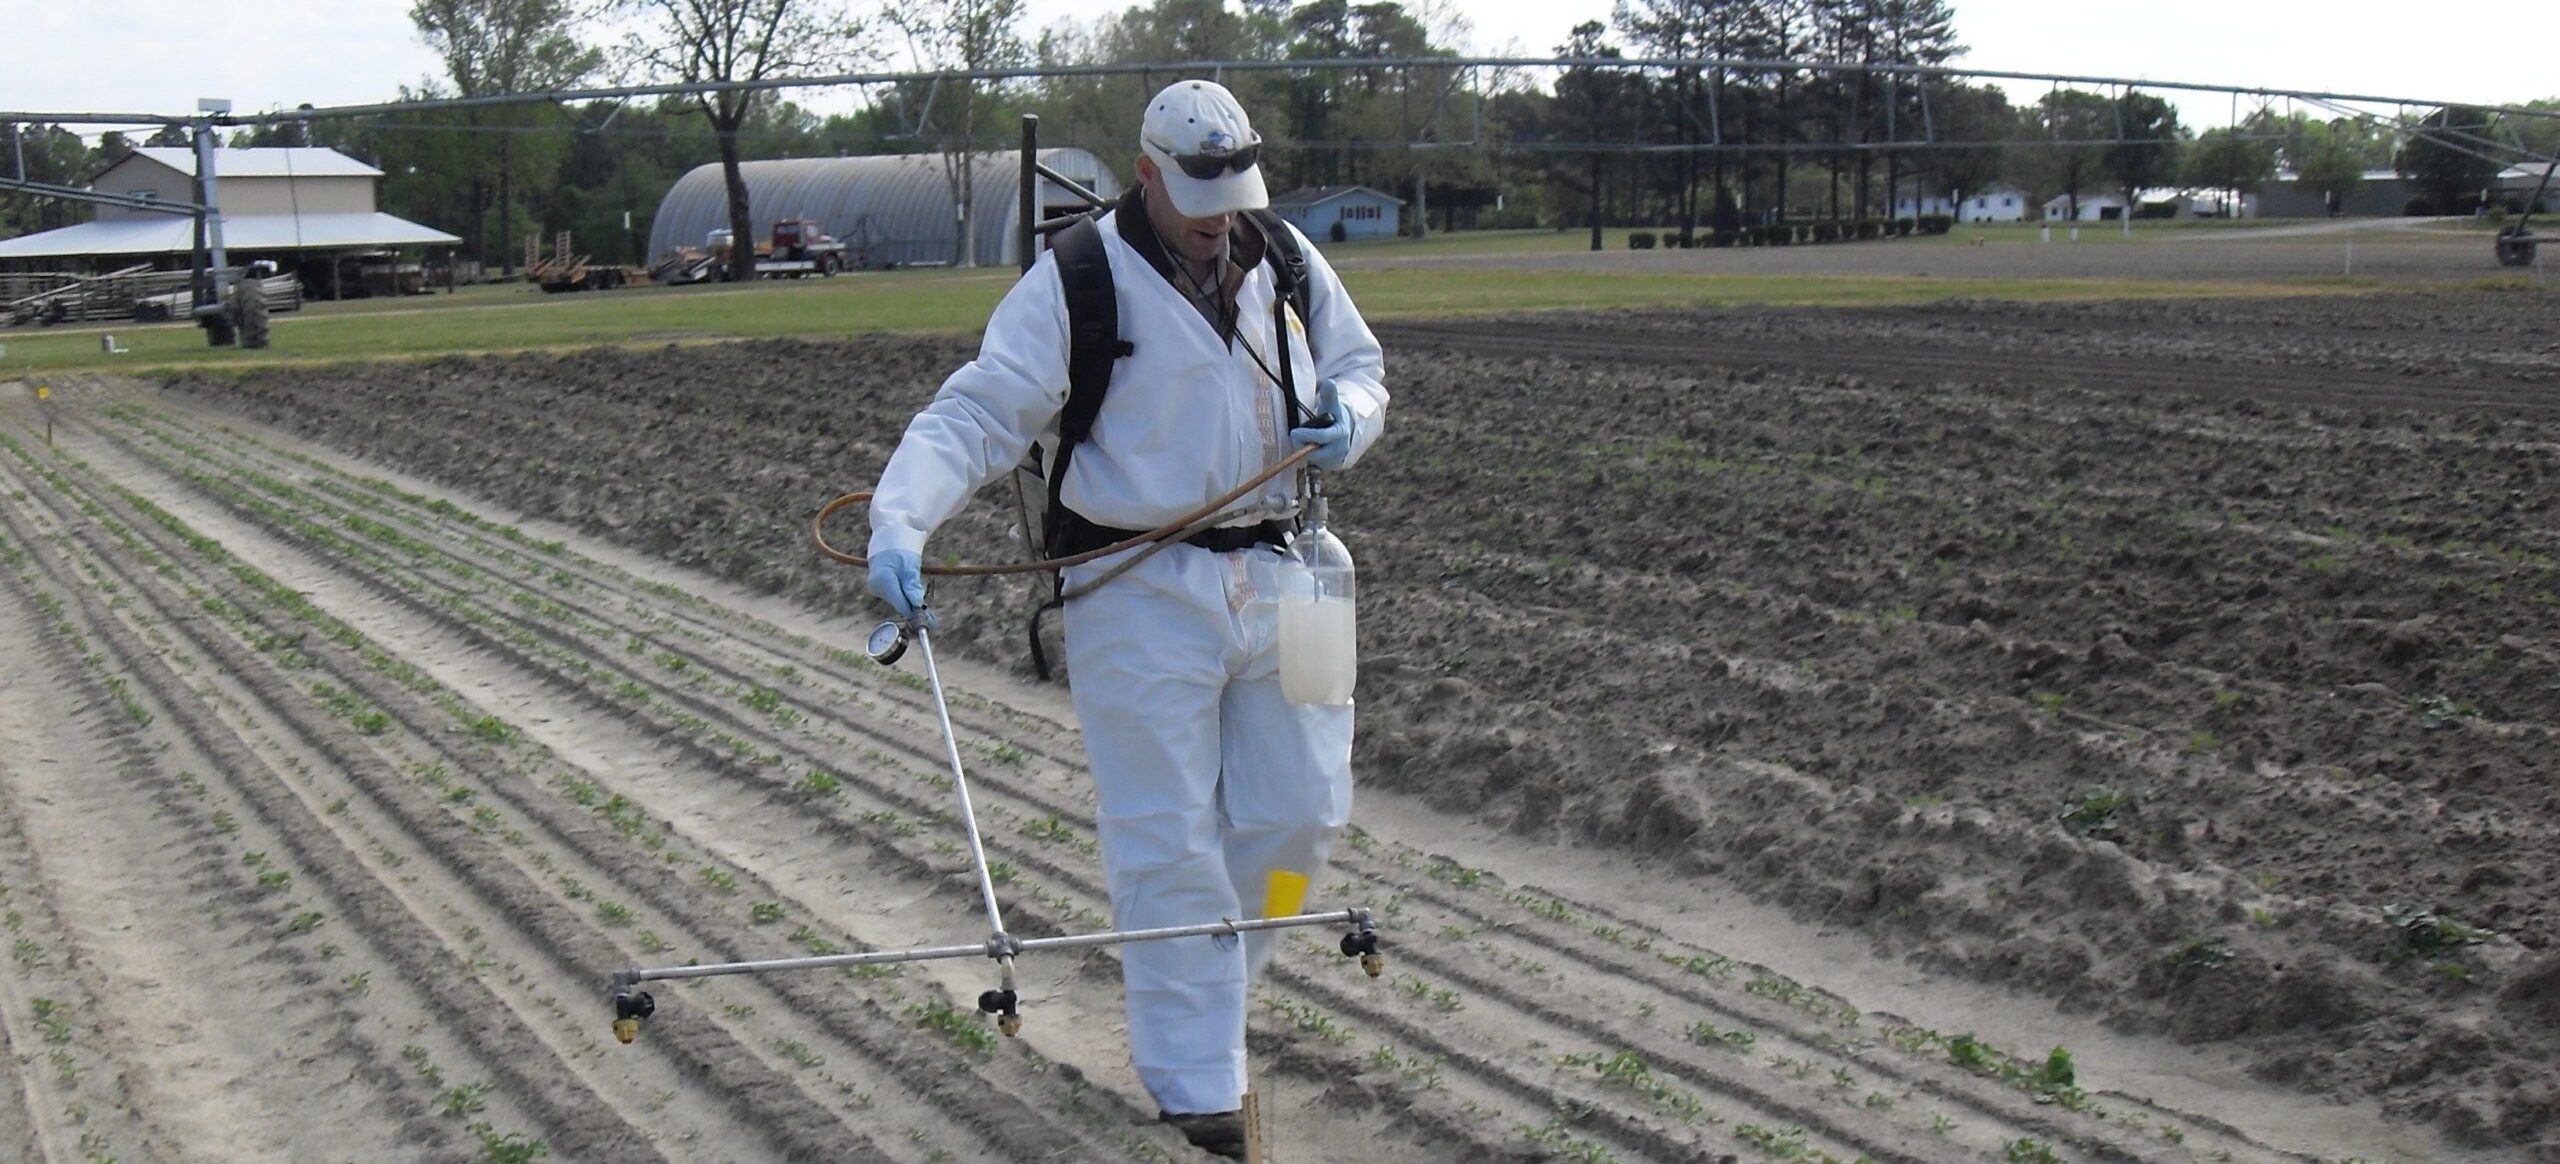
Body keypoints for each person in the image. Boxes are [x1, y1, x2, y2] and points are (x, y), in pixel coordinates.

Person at [864, 79, 1387, 1159]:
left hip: (1294, 570)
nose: (1219, 214)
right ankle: (1198, 1091)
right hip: (1138, 589)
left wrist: (1355, 418)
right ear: (1145, 172)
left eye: (1235, 190)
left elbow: (1360, 366)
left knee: (1304, 820)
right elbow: (978, 412)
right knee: (1168, 843)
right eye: (1198, 191)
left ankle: (1209, 978)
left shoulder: (1284, 257)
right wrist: (899, 523)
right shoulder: (1079, 280)